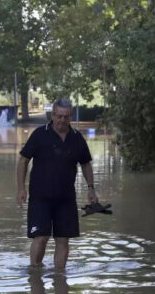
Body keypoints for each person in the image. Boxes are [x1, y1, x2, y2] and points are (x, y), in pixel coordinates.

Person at [16, 98, 98, 270]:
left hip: (66, 198)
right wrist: (21, 188)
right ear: (52, 115)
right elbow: (23, 160)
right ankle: (35, 272)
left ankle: (59, 277)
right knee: (41, 237)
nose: (62, 120)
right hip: (40, 197)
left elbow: (85, 164)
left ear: (70, 117)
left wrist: (91, 188)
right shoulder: (40, 134)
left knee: (63, 240)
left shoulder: (76, 138)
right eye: (59, 116)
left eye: (66, 117)